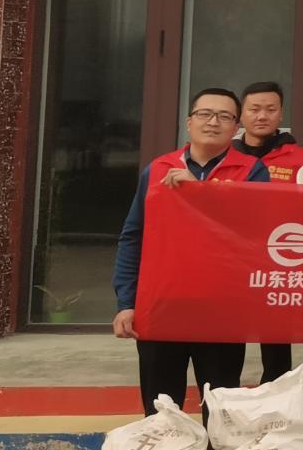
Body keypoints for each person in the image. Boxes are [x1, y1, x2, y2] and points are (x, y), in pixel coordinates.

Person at [111, 87, 268, 417]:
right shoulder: (157, 169)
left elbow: (255, 230)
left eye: (224, 116)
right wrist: (127, 302)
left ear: (236, 126)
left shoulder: (252, 171)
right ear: (189, 121)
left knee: (222, 411)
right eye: (204, 114)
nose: (213, 122)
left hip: (221, 311)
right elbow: (133, 238)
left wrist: (200, 192)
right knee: (161, 410)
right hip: (161, 308)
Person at [235, 79, 303, 383]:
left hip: (279, 257)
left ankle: (279, 386)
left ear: (281, 113)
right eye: (254, 109)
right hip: (234, 256)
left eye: (270, 109)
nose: (262, 116)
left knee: (276, 334)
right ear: (241, 114)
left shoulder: (301, 158)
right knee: (229, 328)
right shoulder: (226, 155)